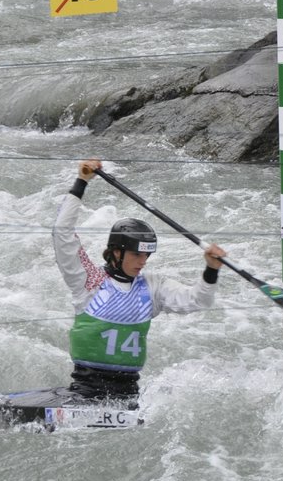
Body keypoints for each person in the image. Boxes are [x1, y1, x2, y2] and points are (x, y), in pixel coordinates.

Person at [53, 159, 226, 400]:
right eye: (136, 254)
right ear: (116, 252)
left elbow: (198, 301)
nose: (142, 261)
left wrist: (211, 270)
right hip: (86, 390)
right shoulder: (89, 281)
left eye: (146, 255)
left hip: (129, 394)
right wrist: (81, 182)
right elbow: (62, 234)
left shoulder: (153, 287)